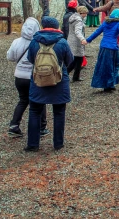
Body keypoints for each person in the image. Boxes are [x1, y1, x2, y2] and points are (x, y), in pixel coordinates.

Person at [25, 16, 74, 152]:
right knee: (59, 112)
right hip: (58, 81)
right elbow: (70, 60)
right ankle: (58, 143)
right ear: (56, 27)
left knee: (35, 111)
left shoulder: (35, 41)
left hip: (38, 81)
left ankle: (33, 144)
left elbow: (30, 59)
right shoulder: (62, 42)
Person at [6, 17, 47, 138]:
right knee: (40, 100)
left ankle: (14, 126)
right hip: (33, 76)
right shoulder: (39, 43)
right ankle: (42, 127)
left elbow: (10, 57)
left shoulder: (16, 42)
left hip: (19, 76)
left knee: (23, 100)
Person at [84, 9, 119, 92]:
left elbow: (96, 32)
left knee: (107, 65)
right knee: (112, 66)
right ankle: (108, 85)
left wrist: (88, 40)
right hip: (111, 47)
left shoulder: (105, 22)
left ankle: (110, 83)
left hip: (105, 47)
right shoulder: (118, 24)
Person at [67, 6, 87, 82]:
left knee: (78, 59)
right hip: (77, 42)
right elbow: (77, 31)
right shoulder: (79, 21)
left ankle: (75, 76)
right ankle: (65, 73)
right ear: (82, 13)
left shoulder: (73, 17)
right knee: (77, 59)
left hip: (71, 40)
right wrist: (82, 39)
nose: (86, 15)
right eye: (85, 13)